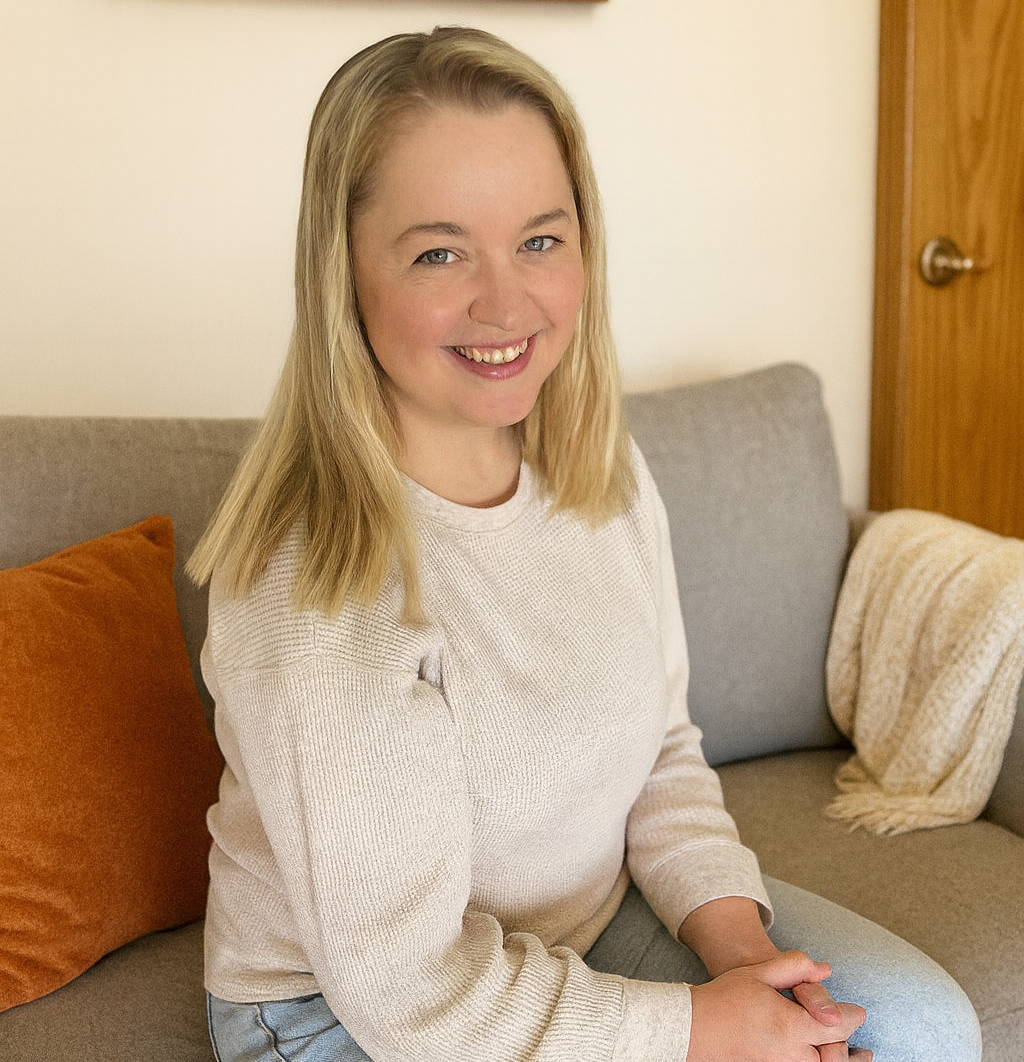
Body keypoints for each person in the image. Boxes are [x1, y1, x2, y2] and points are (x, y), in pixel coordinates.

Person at [188, 26, 983, 1062]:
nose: (506, 302)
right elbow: (412, 990)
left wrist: (744, 965)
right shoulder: (314, 581)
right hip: (346, 1013)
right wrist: (695, 1030)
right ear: (342, 271)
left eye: (539, 238)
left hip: (584, 927)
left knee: (918, 1034)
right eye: (439, 251)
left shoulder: (597, 472)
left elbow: (662, 752)